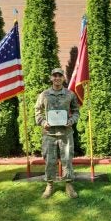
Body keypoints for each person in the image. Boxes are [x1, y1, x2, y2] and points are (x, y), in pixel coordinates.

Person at [35, 68, 80, 199]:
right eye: (54, 76)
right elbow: (37, 111)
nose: (57, 78)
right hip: (49, 133)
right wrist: (43, 122)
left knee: (67, 159)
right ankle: (49, 185)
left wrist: (71, 121)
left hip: (65, 133)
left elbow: (76, 111)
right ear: (51, 78)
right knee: (49, 160)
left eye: (60, 76)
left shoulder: (70, 94)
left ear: (63, 78)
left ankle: (69, 185)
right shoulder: (44, 95)